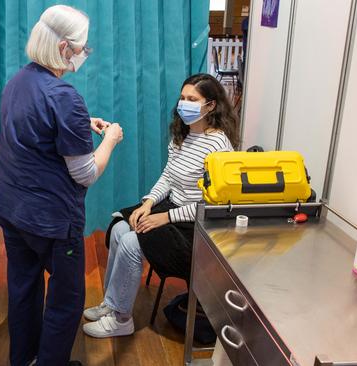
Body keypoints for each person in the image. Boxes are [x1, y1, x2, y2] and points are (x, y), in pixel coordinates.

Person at [0, 5, 123, 366]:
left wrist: (82, 123)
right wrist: (109, 138)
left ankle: (25, 359)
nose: (84, 54)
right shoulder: (65, 97)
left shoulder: (18, 82)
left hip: (13, 211)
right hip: (51, 221)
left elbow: (37, 133)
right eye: (83, 48)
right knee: (66, 300)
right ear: (65, 48)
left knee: (23, 292)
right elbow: (85, 174)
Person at [82, 73, 240, 338]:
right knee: (122, 227)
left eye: (193, 99)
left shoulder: (219, 146)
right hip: (171, 208)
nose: (184, 104)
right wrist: (149, 202)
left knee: (134, 243)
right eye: (182, 98)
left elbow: (209, 203)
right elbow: (168, 175)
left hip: (197, 228)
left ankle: (122, 319)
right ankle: (110, 304)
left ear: (211, 105)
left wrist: (165, 218)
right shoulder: (184, 134)